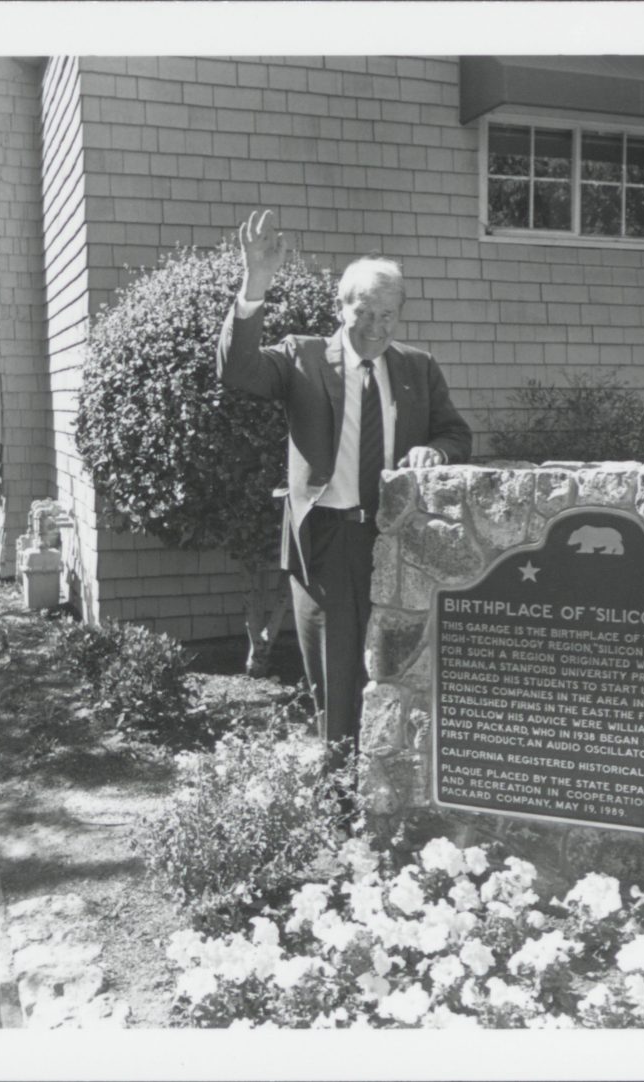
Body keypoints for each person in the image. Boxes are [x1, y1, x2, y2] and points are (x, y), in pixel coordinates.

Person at [218, 208, 472, 768]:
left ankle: (395, 784)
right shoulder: (303, 358)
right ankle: (338, 794)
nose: (379, 327)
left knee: (402, 667)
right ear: (341, 308)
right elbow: (237, 371)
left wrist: (439, 451)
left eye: (390, 315)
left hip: (395, 540)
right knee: (334, 674)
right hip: (328, 542)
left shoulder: (417, 368)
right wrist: (254, 284)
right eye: (366, 313)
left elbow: (455, 432)